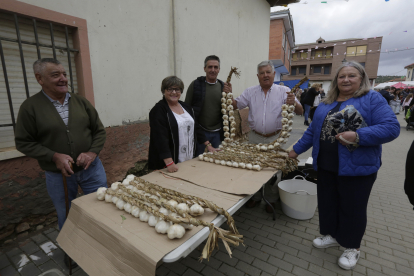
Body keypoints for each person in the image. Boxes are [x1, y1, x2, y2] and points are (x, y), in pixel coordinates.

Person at [288, 61, 399, 270]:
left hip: (357, 167)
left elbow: (391, 128)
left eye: (352, 76)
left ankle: (352, 247)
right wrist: (294, 151)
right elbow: (312, 132)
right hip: (327, 164)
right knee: (328, 202)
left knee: (353, 208)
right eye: (341, 76)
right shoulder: (327, 102)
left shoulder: (371, 98)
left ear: (361, 78)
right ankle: (331, 235)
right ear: (336, 80)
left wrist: (358, 136)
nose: (346, 80)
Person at [15, 58, 107, 269]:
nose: (63, 79)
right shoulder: (30, 107)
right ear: (40, 79)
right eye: (55, 75)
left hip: (91, 169)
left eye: (64, 74)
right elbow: (23, 142)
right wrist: (53, 156)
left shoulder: (81, 102)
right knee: (67, 214)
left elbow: (99, 131)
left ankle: (103, 245)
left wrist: (92, 153)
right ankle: (72, 251)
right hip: (59, 175)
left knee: (102, 206)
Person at [231, 60, 303, 213]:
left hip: (276, 138)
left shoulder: (284, 91)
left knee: (273, 171)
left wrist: (294, 103)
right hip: (254, 137)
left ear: (274, 74)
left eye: (268, 72)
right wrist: (227, 93)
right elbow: (236, 105)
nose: (265, 75)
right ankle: (255, 197)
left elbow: (300, 111)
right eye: (262, 73)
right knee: (253, 169)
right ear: (258, 76)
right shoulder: (250, 91)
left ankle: (271, 200)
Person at [148, 76, 211, 172]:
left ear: (181, 91)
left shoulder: (186, 107)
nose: (174, 92)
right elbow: (160, 138)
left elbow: (196, 127)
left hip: (188, 158)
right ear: (164, 91)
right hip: (169, 163)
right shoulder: (158, 110)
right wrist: (169, 162)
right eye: (170, 89)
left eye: (177, 89)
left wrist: (208, 144)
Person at [185, 55, 232, 156]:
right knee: (199, 162)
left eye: (215, 67)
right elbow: (187, 109)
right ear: (204, 69)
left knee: (217, 162)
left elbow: (230, 109)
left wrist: (230, 94)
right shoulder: (195, 85)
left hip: (218, 134)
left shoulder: (223, 87)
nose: (213, 70)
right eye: (210, 67)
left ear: (219, 69)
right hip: (201, 134)